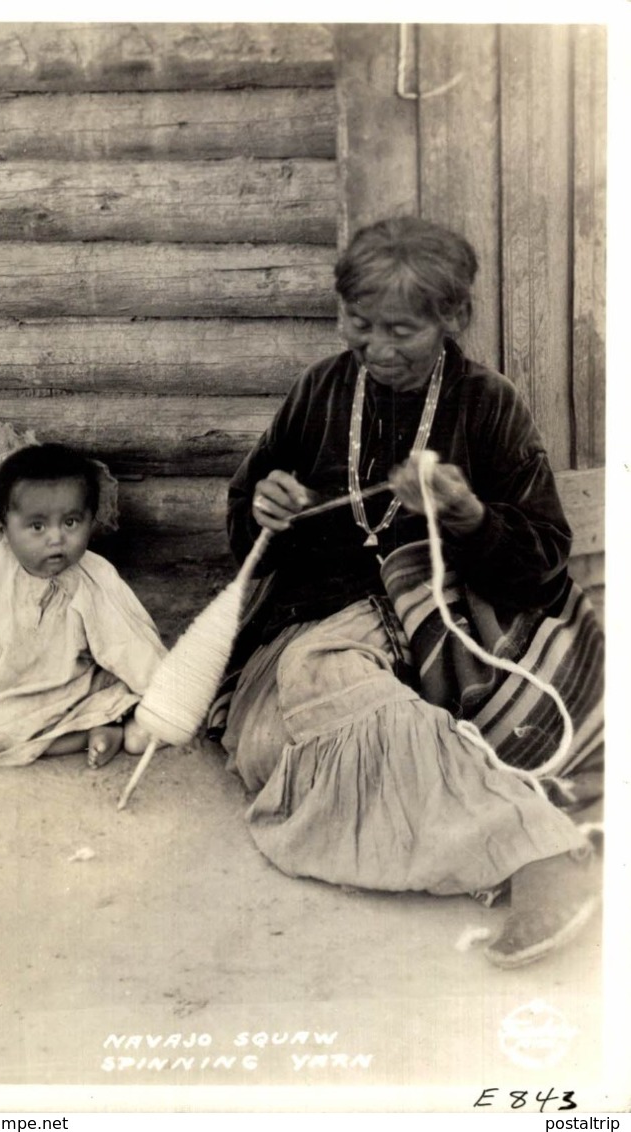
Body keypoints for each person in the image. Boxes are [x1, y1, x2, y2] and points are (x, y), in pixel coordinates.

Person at [210, 216, 604, 969]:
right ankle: (466, 805)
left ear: (452, 319)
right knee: (269, 750)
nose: (378, 350)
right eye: (359, 325)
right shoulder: (320, 390)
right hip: (317, 612)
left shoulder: (488, 403)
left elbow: (546, 559)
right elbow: (247, 537)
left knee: (320, 689)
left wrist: (470, 517)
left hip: (447, 624)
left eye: (401, 331)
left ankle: (535, 852)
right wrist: (265, 508)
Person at [0, 443, 166, 769]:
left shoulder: (93, 578)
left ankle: (98, 723)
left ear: (91, 522)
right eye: (37, 526)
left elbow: (129, 643)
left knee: (115, 691)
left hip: (75, 685)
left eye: (70, 523)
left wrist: (168, 695)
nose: (56, 538)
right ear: (4, 530)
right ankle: (91, 733)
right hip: (5, 692)